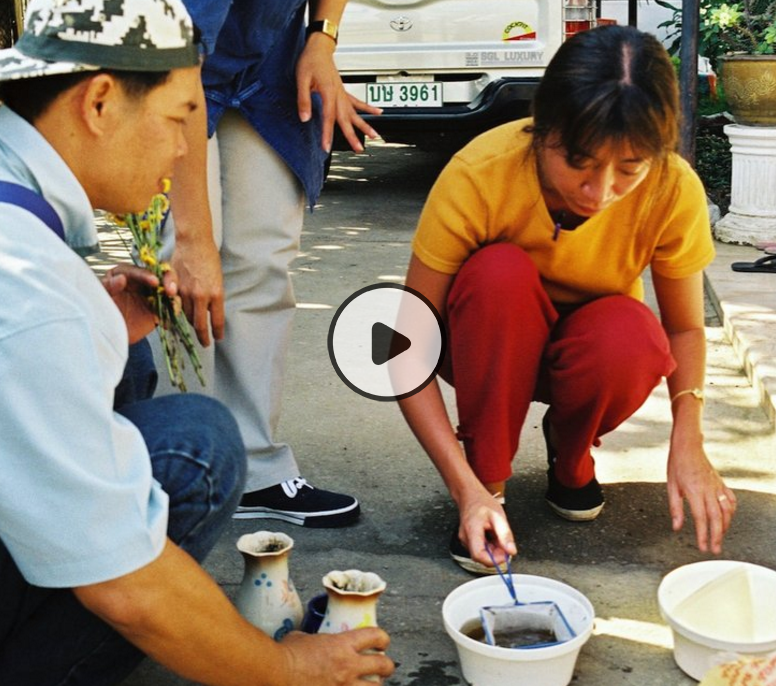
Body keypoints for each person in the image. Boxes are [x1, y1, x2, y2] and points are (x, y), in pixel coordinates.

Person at [0, 1, 393, 684]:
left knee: (127, 361)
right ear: (98, 102)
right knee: (199, 447)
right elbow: (123, 584)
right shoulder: (31, 286)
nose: (186, 150)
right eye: (182, 117)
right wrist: (283, 665)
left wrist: (88, 327)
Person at [397, 24, 738, 575]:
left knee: (632, 333)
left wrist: (689, 439)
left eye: (629, 169)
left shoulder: (673, 189)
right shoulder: (479, 174)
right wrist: (465, 490)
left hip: (587, 360)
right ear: (541, 128)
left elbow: (685, 330)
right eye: (580, 161)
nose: (600, 191)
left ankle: (572, 452)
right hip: (486, 349)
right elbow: (404, 346)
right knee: (498, 275)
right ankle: (488, 481)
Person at [156, 0, 381, 526]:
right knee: (179, 274)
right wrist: (193, 238)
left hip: (271, 63)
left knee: (263, 261)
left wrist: (322, 38)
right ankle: (176, 472)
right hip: (169, 62)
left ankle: (255, 469)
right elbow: (178, 55)